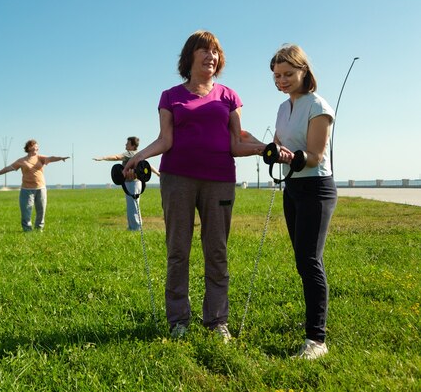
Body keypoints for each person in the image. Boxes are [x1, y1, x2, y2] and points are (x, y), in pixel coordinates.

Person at [123, 30, 265, 341]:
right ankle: (178, 321)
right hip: (177, 179)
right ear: (190, 57)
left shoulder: (228, 96)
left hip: (220, 179)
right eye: (204, 50)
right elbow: (165, 139)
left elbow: (237, 140)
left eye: (215, 52)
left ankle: (216, 322)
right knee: (178, 250)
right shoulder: (170, 96)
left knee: (217, 250)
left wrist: (264, 148)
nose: (211, 56)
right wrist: (138, 157)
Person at [269, 44, 337, 359]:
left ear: (303, 71)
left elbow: (314, 157)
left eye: (288, 74)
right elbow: (281, 143)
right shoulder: (284, 108)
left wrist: (288, 155)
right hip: (292, 189)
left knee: (310, 261)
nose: (282, 80)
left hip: (316, 189)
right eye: (277, 75)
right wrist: (272, 149)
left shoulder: (318, 106)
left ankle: (317, 341)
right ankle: (313, 321)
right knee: (301, 260)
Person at [0, 139, 69, 232]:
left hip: (41, 188)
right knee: (26, 211)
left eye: (37, 146)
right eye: (34, 145)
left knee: (41, 211)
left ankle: (39, 230)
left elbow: (51, 158)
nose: (36, 147)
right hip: (26, 190)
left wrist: (60, 158)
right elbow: (8, 168)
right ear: (29, 147)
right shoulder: (21, 161)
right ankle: (27, 231)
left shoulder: (40, 158)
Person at [93, 136, 160, 231]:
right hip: (137, 184)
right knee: (134, 205)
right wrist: (157, 173)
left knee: (132, 206)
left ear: (132, 145)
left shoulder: (130, 153)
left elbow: (117, 157)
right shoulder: (139, 154)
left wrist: (103, 158)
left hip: (132, 184)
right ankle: (133, 226)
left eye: (127, 143)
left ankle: (135, 228)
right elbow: (148, 166)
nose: (125, 144)